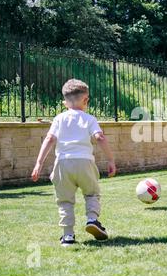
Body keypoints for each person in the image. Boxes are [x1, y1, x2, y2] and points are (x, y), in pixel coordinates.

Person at [31, 79, 117, 246]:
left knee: (65, 200)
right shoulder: (89, 119)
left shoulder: (59, 119)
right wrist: (111, 160)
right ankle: (92, 219)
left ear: (65, 103)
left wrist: (39, 163)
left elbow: (50, 138)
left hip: (63, 163)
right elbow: (100, 137)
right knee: (91, 193)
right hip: (85, 162)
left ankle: (68, 236)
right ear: (86, 100)